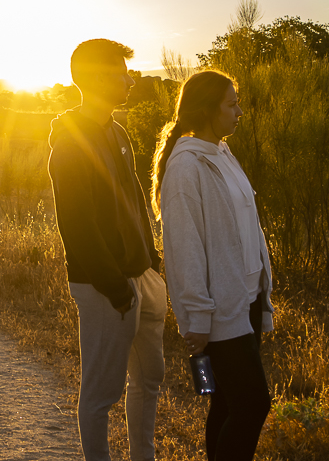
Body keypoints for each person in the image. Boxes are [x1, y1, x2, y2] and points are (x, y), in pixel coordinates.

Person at [48, 38, 167, 461]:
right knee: (101, 395)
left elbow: (133, 199)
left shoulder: (117, 132)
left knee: (150, 381)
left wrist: (152, 265)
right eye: (121, 70)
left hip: (143, 279)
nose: (129, 78)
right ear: (95, 78)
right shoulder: (69, 144)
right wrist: (116, 287)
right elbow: (77, 226)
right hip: (105, 289)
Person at [154, 71, 273, 461]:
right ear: (207, 110)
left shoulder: (221, 152)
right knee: (253, 405)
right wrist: (198, 316)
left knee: (224, 404)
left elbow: (246, 227)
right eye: (231, 104)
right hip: (219, 313)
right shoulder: (186, 168)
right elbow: (184, 249)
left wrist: (261, 291)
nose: (239, 111)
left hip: (246, 301)